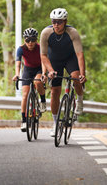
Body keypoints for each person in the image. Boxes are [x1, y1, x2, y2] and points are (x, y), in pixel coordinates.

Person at [40, 8, 86, 137]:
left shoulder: (72, 32)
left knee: (76, 78)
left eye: (59, 22)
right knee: (55, 91)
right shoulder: (46, 33)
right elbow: (43, 56)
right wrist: (50, 70)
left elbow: (80, 54)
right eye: (54, 21)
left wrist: (83, 74)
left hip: (70, 58)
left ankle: (80, 99)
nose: (56, 24)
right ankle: (55, 123)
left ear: (65, 22)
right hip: (54, 60)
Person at [12, 28, 47, 132]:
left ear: (36, 40)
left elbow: (44, 62)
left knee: (37, 81)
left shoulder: (40, 48)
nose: (30, 43)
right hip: (27, 70)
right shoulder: (21, 49)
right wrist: (17, 75)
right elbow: (18, 63)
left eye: (33, 40)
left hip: (39, 68)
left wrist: (44, 74)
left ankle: (43, 101)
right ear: (24, 40)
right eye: (27, 40)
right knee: (25, 95)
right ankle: (23, 120)